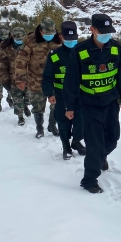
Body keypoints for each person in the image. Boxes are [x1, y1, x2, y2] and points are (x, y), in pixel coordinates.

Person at [63, 13, 121, 193]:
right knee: (94, 145)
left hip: (110, 102)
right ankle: (89, 180)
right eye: (102, 32)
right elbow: (70, 81)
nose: (106, 35)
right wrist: (70, 106)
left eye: (109, 32)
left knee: (113, 139)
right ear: (92, 29)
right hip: (89, 104)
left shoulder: (116, 48)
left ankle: (101, 157)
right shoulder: (80, 51)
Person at [42, 21, 86, 160]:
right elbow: (47, 76)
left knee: (81, 121)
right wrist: (50, 93)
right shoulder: (55, 55)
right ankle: (66, 145)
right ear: (61, 37)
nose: (72, 42)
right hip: (61, 95)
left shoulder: (83, 53)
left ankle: (76, 141)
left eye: (74, 39)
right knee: (64, 121)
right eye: (69, 39)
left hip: (80, 94)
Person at [15, 17, 62, 138]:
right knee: (37, 107)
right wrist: (20, 79)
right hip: (36, 81)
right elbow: (20, 61)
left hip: (55, 81)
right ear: (40, 30)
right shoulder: (30, 42)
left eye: (52, 33)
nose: (49, 35)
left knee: (56, 105)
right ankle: (39, 128)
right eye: (47, 33)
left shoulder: (58, 41)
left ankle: (52, 125)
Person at [0, 26, 31, 125]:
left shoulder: (28, 46)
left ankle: (25, 106)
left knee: (28, 97)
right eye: (18, 39)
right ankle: (20, 116)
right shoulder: (6, 49)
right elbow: (2, 66)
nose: (20, 40)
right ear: (12, 36)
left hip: (28, 78)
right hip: (14, 79)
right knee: (17, 99)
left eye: (21, 38)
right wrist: (5, 80)